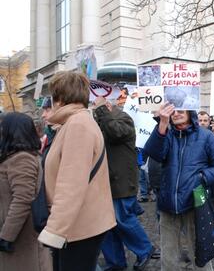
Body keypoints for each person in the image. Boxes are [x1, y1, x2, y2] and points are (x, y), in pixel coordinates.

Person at [38, 71, 116, 271]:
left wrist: (55, 230)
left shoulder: (77, 124)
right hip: (79, 222)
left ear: (60, 98)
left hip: (79, 225)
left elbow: (71, 184)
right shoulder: (75, 122)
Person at [144, 103, 214, 270]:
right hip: (168, 204)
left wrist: (201, 177)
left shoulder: (206, 137)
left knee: (199, 255)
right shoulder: (166, 135)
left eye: (181, 110)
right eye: (173, 111)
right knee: (168, 257)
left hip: (195, 204)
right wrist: (162, 123)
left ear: (190, 111)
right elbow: (153, 153)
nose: (176, 114)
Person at [93, 96, 157, 271]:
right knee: (106, 224)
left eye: (99, 106)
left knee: (123, 218)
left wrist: (101, 110)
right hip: (106, 181)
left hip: (121, 180)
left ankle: (145, 249)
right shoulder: (102, 120)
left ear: (108, 106)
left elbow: (116, 132)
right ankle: (115, 262)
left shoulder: (123, 117)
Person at [0, 113, 52, 271]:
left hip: (19, 238)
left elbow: (22, 200)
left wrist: (6, 236)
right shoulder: (15, 156)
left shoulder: (22, 159)